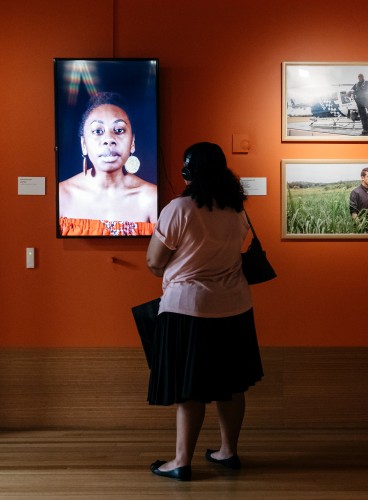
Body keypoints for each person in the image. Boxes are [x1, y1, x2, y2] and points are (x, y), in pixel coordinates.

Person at [145, 142, 264, 482]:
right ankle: (228, 451)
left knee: (190, 387)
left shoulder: (179, 208)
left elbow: (154, 261)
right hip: (236, 305)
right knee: (232, 384)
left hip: (188, 309)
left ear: (188, 172)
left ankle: (181, 461)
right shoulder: (237, 209)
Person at [58, 92, 157, 236]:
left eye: (119, 130)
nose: (109, 139)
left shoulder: (151, 198)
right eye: (98, 131)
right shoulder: (62, 195)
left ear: (132, 142)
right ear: (83, 144)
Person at [350, 167, 368, 231]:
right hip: (361, 229)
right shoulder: (355, 192)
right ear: (362, 178)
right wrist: (361, 228)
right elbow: (353, 212)